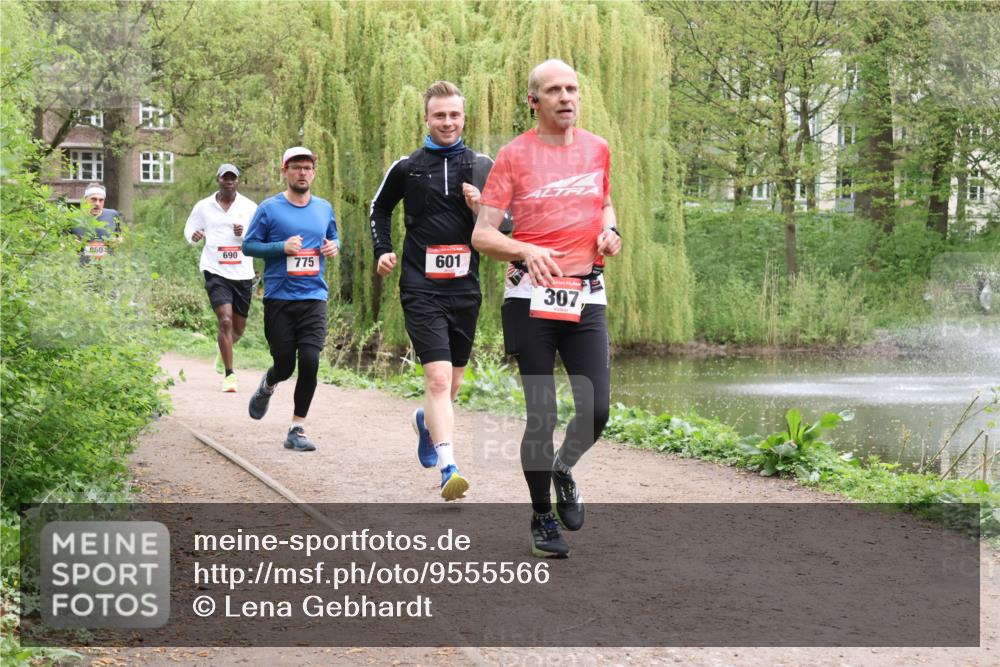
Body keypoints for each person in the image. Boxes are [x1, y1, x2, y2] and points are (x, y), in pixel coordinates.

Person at [471, 59, 622, 558]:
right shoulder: (513, 156)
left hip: (586, 294)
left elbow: (604, 202)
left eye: (572, 88)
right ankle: (541, 517)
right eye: (554, 90)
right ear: (534, 101)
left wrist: (611, 231)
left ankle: (563, 468)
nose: (566, 97)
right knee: (543, 413)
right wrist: (525, 250)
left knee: (596, 410)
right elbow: (483, 234)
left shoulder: (597, 148)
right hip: (530, 300)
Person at [369, 80, 498, 501]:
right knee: (438, 379)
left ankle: (426, 423)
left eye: (454, 115)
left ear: (464, 118)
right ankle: (449, 468)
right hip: (420, 285)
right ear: (426, 118)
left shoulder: (482, 165)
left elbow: (510, 224)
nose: (447, 122)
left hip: (465, 288)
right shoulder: (408, 167)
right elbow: (379, 207)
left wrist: (482, 208)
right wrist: (383, 250)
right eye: (439, 115)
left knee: (452, 385)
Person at [242, 147, 340, 452]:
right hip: (279, 298)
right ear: (285, 171)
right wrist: (281, 247)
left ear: (314, 172)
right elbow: (248, 246)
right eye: (295, 167)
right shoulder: (269, 208)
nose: (302, 172)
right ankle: (269, 384)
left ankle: (297, 428)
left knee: (310, 362)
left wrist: (333, 247)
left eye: (307, 168)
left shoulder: (324, 207)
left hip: (314, 296)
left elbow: (334, 236)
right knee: (284, 366)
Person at [183, 164, 258, 393]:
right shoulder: (204, 206)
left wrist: (243, 233)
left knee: (238, 329)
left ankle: (223, 350)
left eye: (233, 178)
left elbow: (259, 236)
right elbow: (189, 229)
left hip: (243, 273)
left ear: (238, 181)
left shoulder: (249, 207)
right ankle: (229, 375)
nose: (229, 181)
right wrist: (193, 236)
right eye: (225, 177)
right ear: (218, 179)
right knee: (224, 321)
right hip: (215, 270)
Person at [72, 183, 121, 263]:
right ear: (85, 200)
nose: (97, 203)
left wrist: (118, 241)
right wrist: (70, 243)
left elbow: (119, 236)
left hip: (108, 268)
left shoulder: (112, 215)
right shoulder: (73, 218)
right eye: (93, 199)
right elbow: (61, 242)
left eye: (101, 200)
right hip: (80, 269)